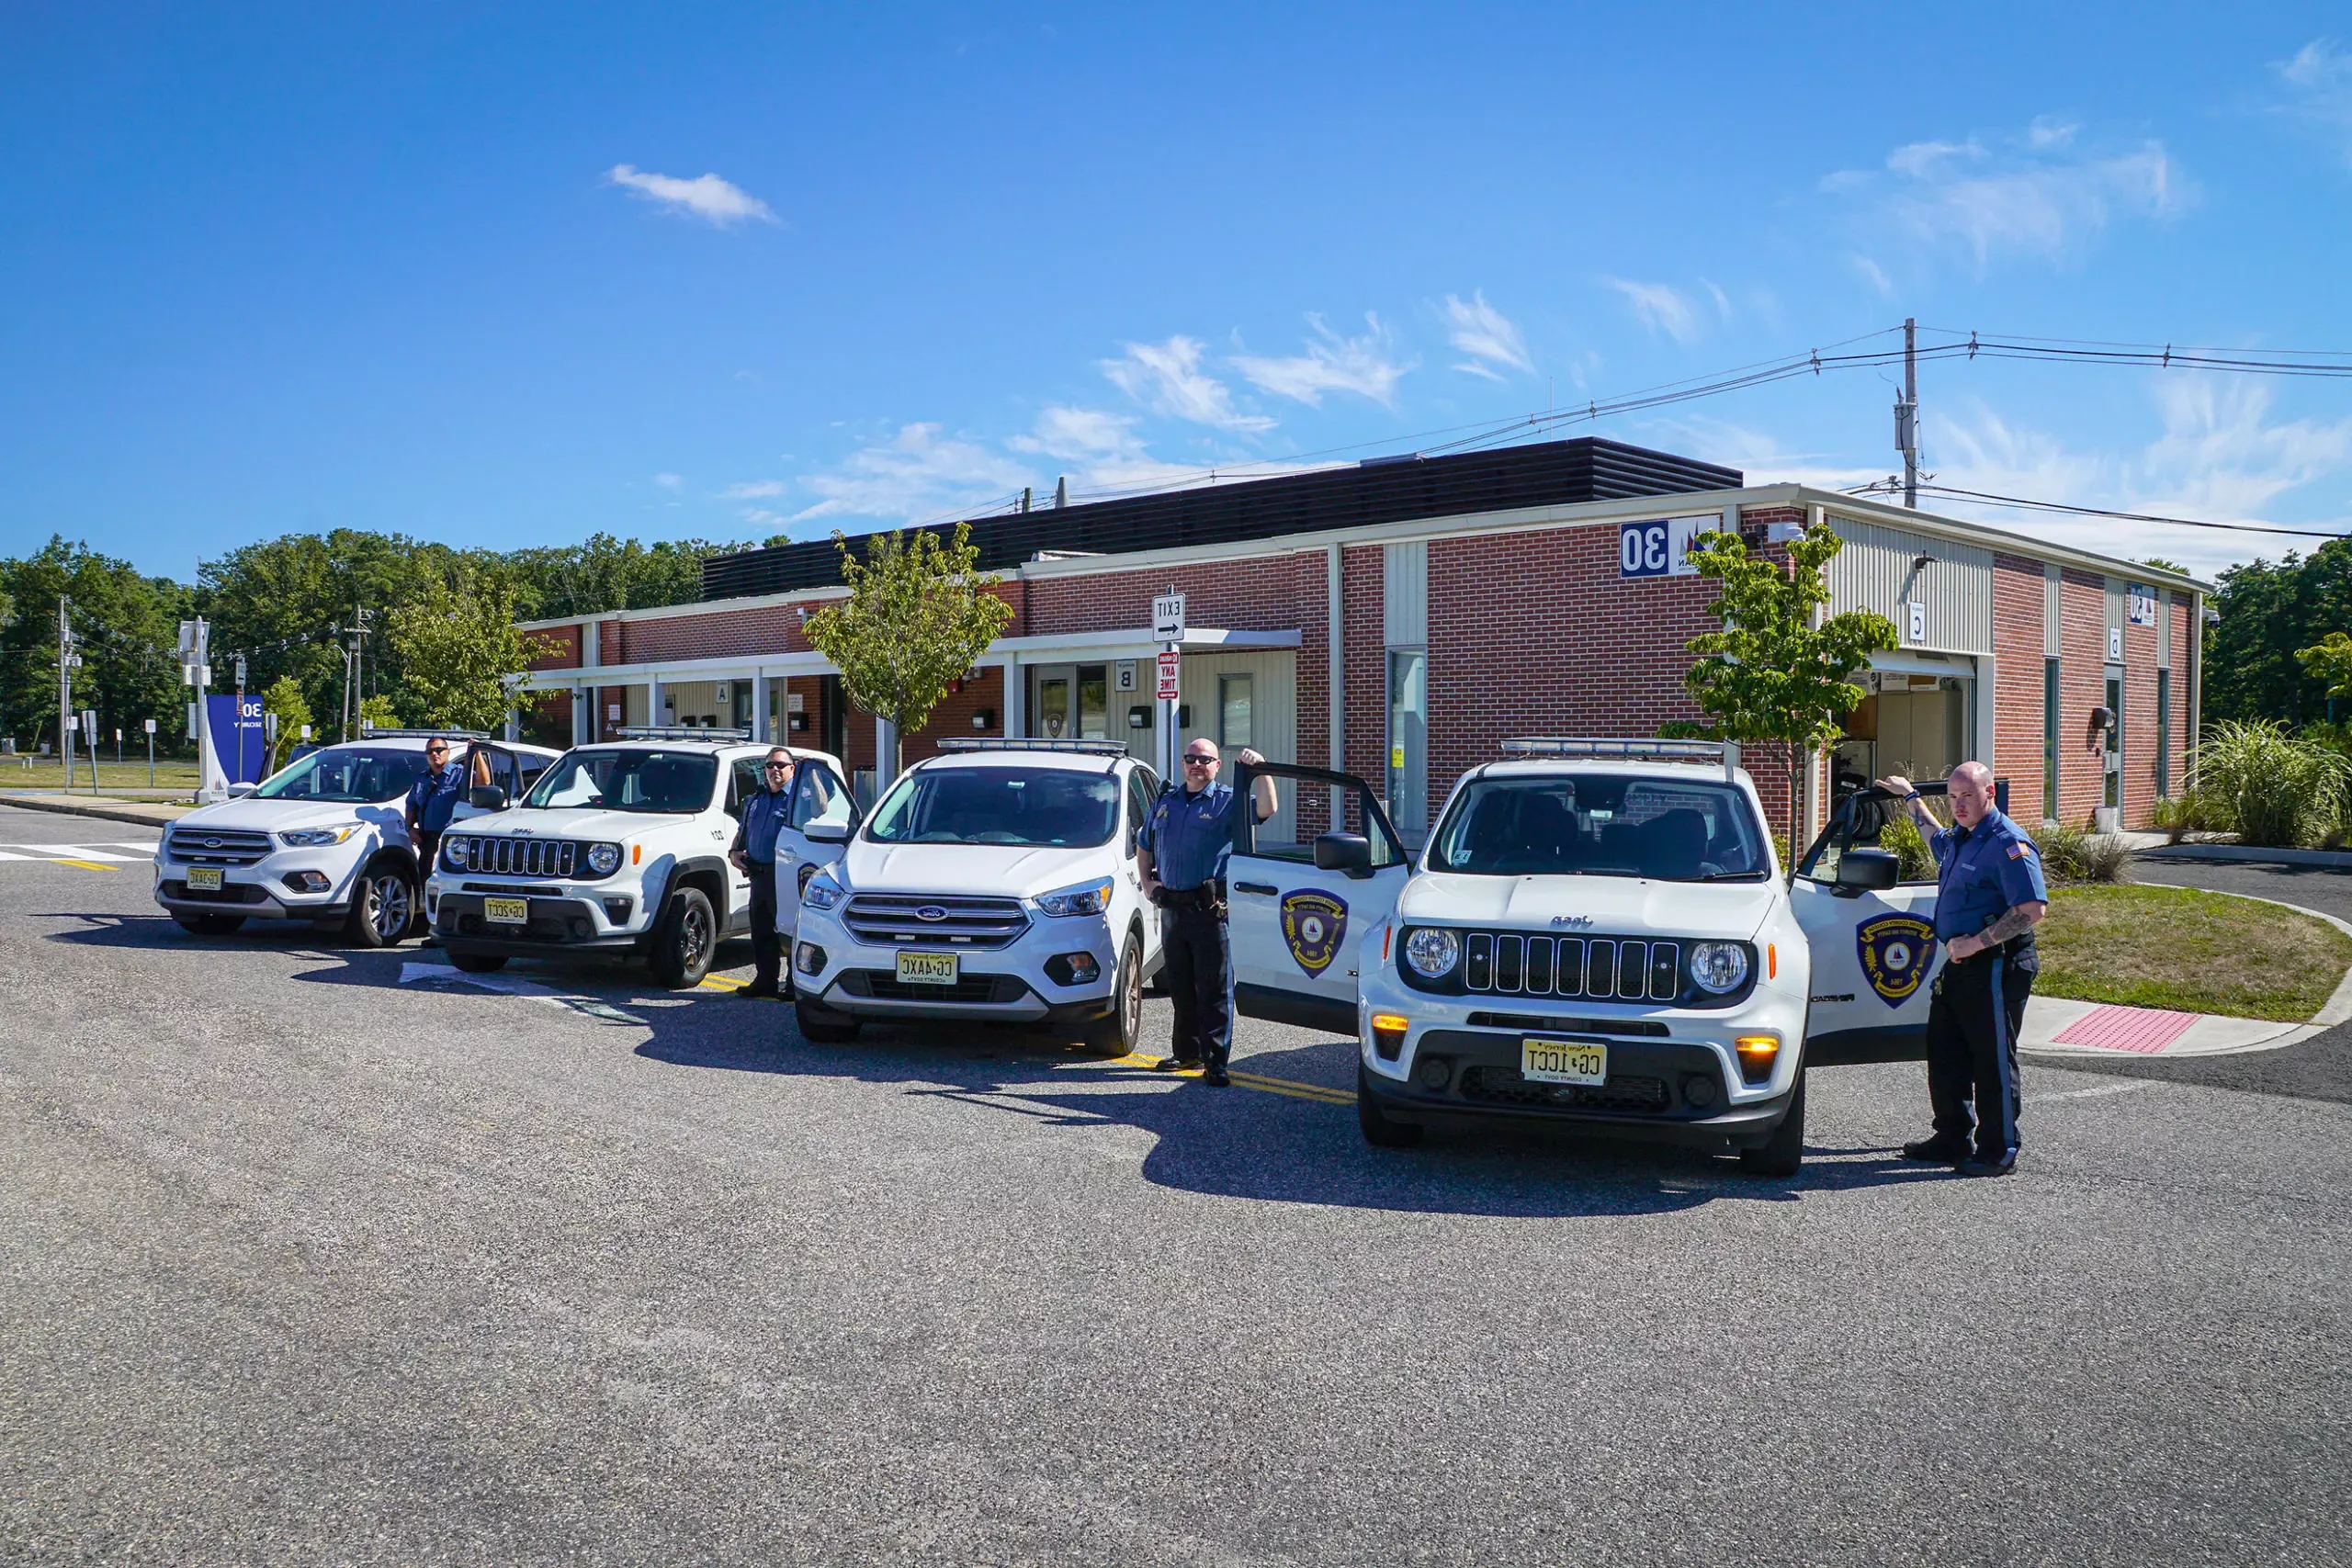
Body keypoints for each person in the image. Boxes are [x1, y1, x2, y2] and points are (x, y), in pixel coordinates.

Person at [1877, 761, 2049, 1178]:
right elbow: (1933, 837)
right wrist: (1910, 796)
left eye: (1968, 796)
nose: (1959, 805)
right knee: (1946, 1052)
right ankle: (1952, 1136)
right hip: (1960, 965)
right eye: (1953, 798)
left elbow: (2031, 910)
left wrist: (1976, 943)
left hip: (1995, 965)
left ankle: (1999, 1148)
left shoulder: (2008, 843)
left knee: (1991, 1059)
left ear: (1990, 793)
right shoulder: (1962, 838)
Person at [1135, 739, 1276, 1088]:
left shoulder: (1227, 801)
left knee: (1213, 990)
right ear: (1183, 764)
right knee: (1181, 989)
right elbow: (1144, 843)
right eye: (1190, 759)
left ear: (1216, 766)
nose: (1196, 764)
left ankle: (1215, 1062)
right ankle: (1186, 1053)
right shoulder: (1166, 801)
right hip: (1172, 910)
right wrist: (1147, 884)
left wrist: (1261, 768)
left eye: (1205, 760)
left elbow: (1267, 809)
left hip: (1209, 911)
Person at [730, 747, 797, 998]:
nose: (775, 770)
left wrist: (812, 779)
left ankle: (793, 983)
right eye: (770, 765)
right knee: (761, 931)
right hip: (759, 874)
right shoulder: (757, 798)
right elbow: (744, 828)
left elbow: (821, 808)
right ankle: (765, 980)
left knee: (789, 931)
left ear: (792, 768)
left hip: (786, 875)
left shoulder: (799, 799)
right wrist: (734, 851)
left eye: (781, 765)